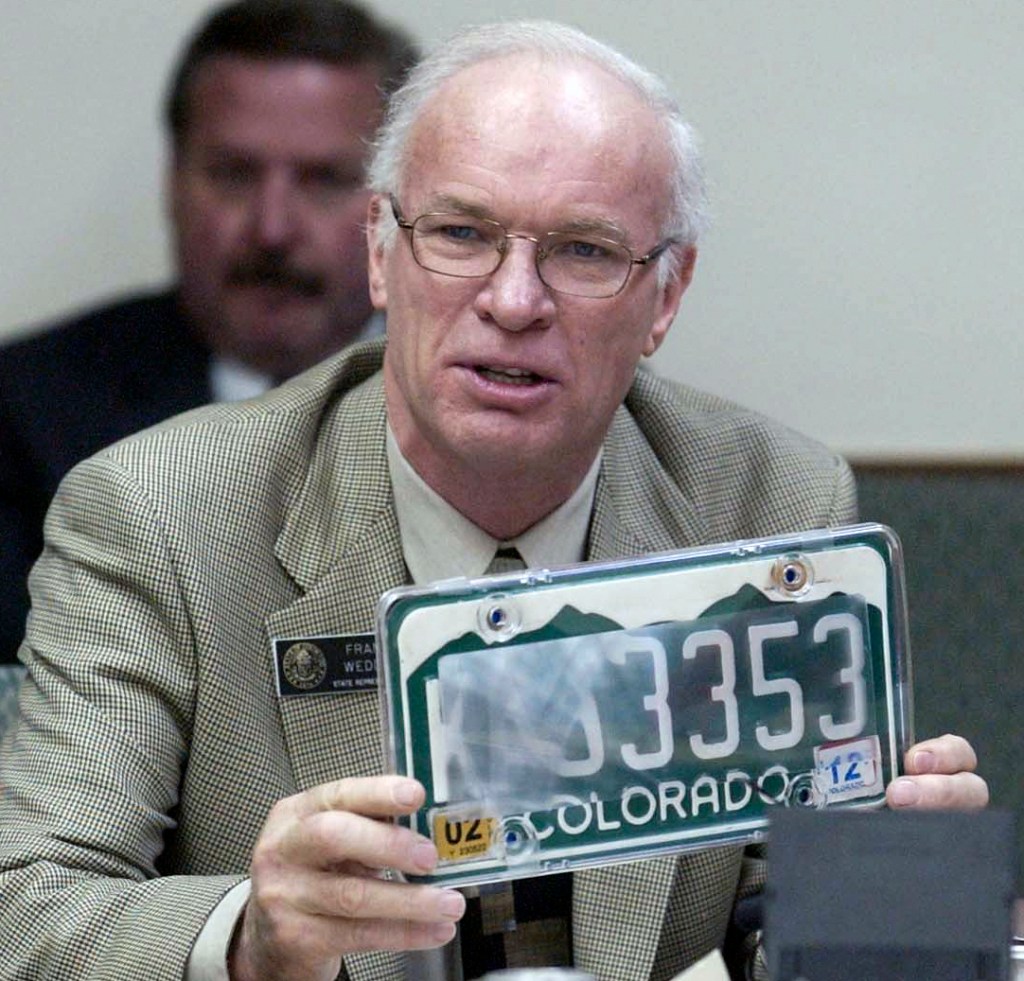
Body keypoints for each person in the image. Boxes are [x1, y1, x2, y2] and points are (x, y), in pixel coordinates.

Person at [0, 19, 988, 981]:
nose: (515, 301)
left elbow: (783, 920)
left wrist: (890, 892)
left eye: (584, 252)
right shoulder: (160, 513)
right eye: (463, 234)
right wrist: (251, 938)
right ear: (381, 254)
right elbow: (28, 911)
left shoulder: (773, 504)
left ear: (668, 295)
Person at [0, 0, 417, 664]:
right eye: (233, 174)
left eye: (323, 180)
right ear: (172, 182)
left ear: (401, 204)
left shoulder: (481, 398)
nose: (272, 229)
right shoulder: (26, 413)